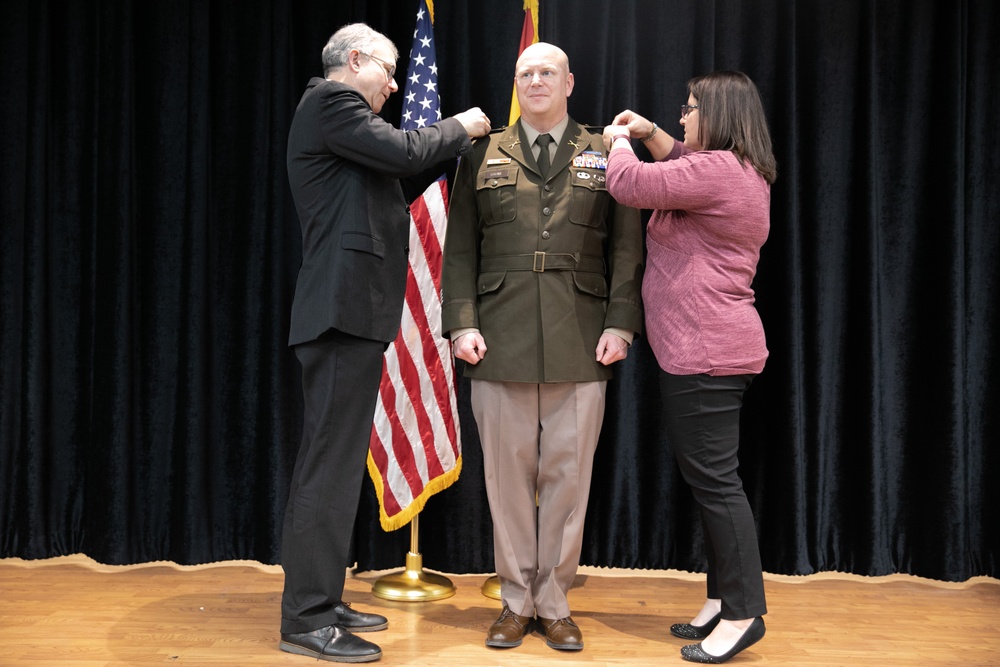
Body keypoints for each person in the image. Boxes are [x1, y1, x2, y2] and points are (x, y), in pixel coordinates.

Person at [280, 23, 490, 663]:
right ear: (357, 60)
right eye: (390, 71)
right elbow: (404, 153)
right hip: (339, 314)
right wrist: (463, 126)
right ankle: (306, 620)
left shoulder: (339, 124)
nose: (397, 85)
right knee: (327, 468)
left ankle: (324, 596)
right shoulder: (331, 102)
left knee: (337, 467)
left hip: (352, 313)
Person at [441, 42, 644, 652]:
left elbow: (627, 248)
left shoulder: (606, 151)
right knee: (507, 482)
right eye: (526, 73)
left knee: (568, 478)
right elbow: (461, 251)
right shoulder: (481, 151)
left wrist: (621, 324)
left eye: (547, 72)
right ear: (516, 84)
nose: (535, 81)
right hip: (497, 338)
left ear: (569, 82)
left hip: (581, 337)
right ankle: (513, 600)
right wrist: (462, 323)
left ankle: (553, 602)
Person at [602, 70, 776, 664]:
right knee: (710, 485)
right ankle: (722, 600)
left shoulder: (720, 171)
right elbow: (677, 157)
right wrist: (648, 130)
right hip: (708, 352)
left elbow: (628, 185)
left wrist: (619, 141)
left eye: (691, 107)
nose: (682, 117)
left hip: (707, 353)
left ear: (720, 115)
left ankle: (745, 613)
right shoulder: (731, 168)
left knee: (717, 486)